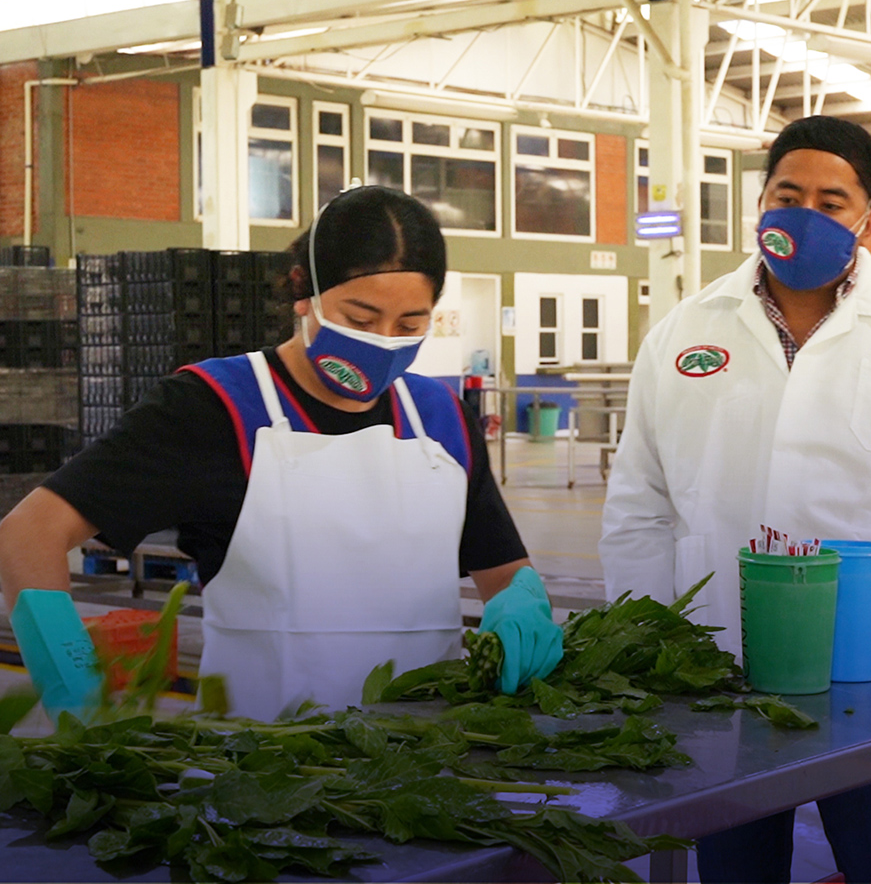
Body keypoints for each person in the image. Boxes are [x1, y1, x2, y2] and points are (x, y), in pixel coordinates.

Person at [600, 116, 871, 883]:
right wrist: (657, 642)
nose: (804, 214)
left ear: (868, 219)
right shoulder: (685, 331)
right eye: (788, 195)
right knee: (732, 864)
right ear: (760, 204)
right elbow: (638, 505)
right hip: (715, 669)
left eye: (830, 200)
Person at [0, 184, 562, 723]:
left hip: (424, 760)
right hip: (259, 770)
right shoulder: (215, 409)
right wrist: (71, 681)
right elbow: (29, 533)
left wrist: (522, 607)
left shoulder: (441, 420)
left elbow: (503, 569)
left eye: (409, 325)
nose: (383, 340)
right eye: (360, 320)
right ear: (303, 292)